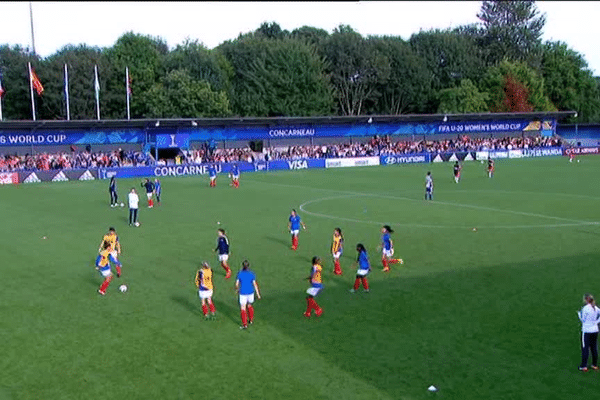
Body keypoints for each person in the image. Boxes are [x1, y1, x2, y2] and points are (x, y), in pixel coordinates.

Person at [235, 260, 261, 329]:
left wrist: (237, 290)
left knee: (243, 308)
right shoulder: (252, 273)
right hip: (250, 293)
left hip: (243, 293)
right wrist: (258, 294)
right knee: (249, 305)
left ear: (242, 266)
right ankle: (251, 320)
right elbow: (255, 284)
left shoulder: (240, 273)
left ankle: (244, 324)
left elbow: (237, 284)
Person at [578, 294, 600, 371]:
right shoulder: (596, 308)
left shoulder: (585, 308)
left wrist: (579, 315)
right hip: (595, 330)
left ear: (586, 300)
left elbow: (583, 319)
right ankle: (594, 365)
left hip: (587, 331)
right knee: (594, 347)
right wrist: (596, 322)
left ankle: (584, 366)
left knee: (585, 348)